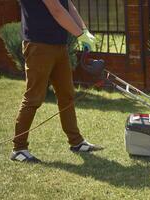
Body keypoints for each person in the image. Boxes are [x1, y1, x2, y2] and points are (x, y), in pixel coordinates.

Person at [10, 0, 102, 163]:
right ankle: (19, 149)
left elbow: (68, 5)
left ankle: (76, 142)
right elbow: (56, 9)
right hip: (38, 45)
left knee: (67, 95)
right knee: (33, 98)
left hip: (59, 45)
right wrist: (79, 34)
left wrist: (84, 30)